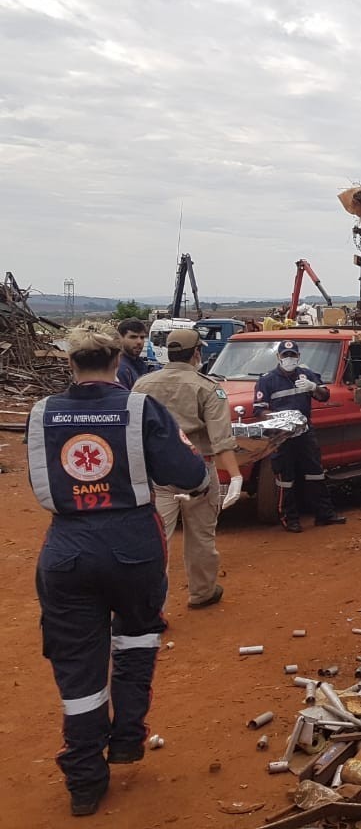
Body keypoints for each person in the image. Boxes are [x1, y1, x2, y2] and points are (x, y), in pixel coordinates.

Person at [27, 326, 207, 817]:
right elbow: (187, 472)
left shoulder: (42, 413)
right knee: (136, 639)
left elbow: (39, 479)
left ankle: (84, 781)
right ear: (115, 361)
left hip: (66, 550)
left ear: (70, 364)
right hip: (133, 545)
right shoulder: (138, 408)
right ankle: (127, 737)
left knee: (78, 666)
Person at [134, 328, 243, 608]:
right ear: (197, 353)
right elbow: (220, 441)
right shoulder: (207, 387)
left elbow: (132, 433)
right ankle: (202, 592)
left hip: (156, 474)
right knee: (201, 537)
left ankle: (151, 606)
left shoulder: (143, 385)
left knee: (156, 539)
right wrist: (235, 476)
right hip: (197, 473)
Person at [253, 339, 346, 531]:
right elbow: (259, 410)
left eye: (292, 355)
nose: (289, 358)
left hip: (305, 433)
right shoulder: (267, 380)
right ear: (278, 357)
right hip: (282, 435)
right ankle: (290, 518)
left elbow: (324, 396)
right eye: (285, 355)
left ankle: (324, 514)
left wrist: (313, 387)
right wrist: (280, 417)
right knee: (285, 478)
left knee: (316, 473)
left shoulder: (306, 375)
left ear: (298, 357)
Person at [115, 318, 154, 388]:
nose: (139, 342)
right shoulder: (119, 368)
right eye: (133, 337)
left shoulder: (139, 362)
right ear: (120, 338)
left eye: (142, 337)